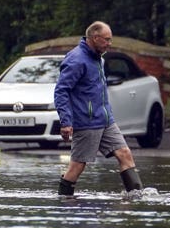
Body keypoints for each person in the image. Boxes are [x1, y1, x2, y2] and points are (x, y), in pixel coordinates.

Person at [53, 21, 143, 196]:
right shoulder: (76, 60)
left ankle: (138, 197)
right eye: (107, 40)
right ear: (95, 38)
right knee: (77, 165)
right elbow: (61, 91)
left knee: (124, 153)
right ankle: (63, 201)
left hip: (106, 120)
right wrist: (66, 122)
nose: (110, 44)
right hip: (86, 122)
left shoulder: (99, 59)